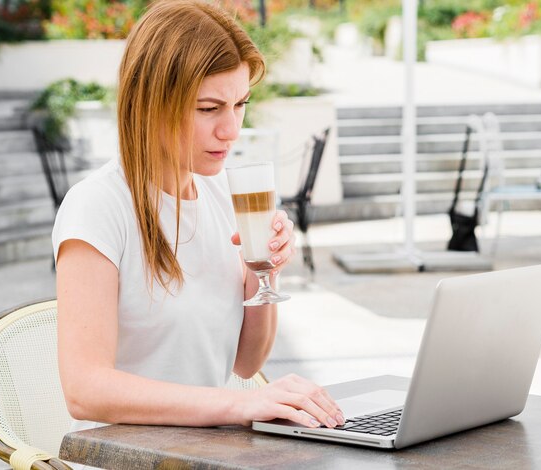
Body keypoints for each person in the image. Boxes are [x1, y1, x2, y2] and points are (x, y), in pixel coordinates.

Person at [53, 0, 345, 444]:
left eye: (240, 104)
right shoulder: (98, 207)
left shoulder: (225, 198)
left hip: (207, 452)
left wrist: (260, 271)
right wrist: (239, 405)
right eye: (209, 108)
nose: (231, 130)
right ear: (152, 103)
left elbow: (246, 364)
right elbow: (85, 390)